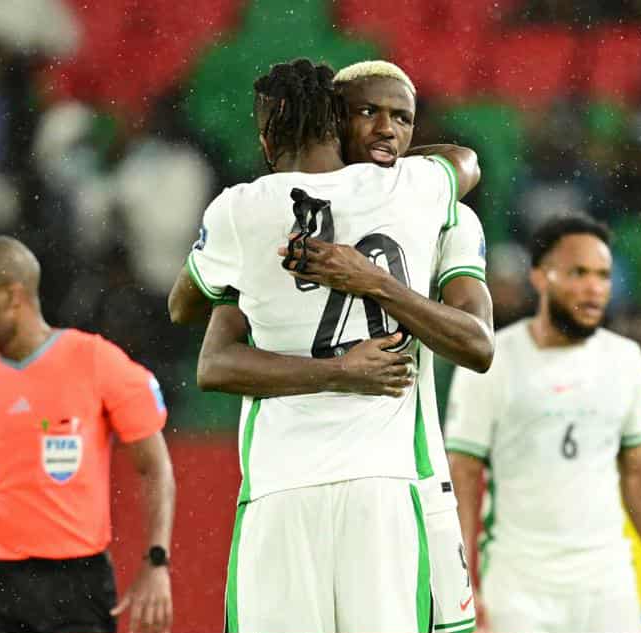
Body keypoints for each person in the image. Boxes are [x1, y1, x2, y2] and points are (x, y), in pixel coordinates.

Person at [168, 58, 479, 633]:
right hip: (382, 487)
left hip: (281, 485)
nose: (386, 130)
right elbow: (465, 162)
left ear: (265, 137)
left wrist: (252, 267)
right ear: (337, 124)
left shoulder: (239, 208)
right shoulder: (411, 189)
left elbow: (182, 307)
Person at [0, 236, 175, 633]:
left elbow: (154, 467)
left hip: (78, 587)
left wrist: (156, 562)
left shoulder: (95, 361)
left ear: (11, 296)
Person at [445, 215, 641, 633]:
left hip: (606, 581)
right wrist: (462, 585)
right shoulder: (491, 361)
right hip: (517, 584)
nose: (594, 287)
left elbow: (637, 470)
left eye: (603, 275)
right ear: (540, 277)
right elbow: (463, 475)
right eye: (578, 273)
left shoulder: (624, 359)